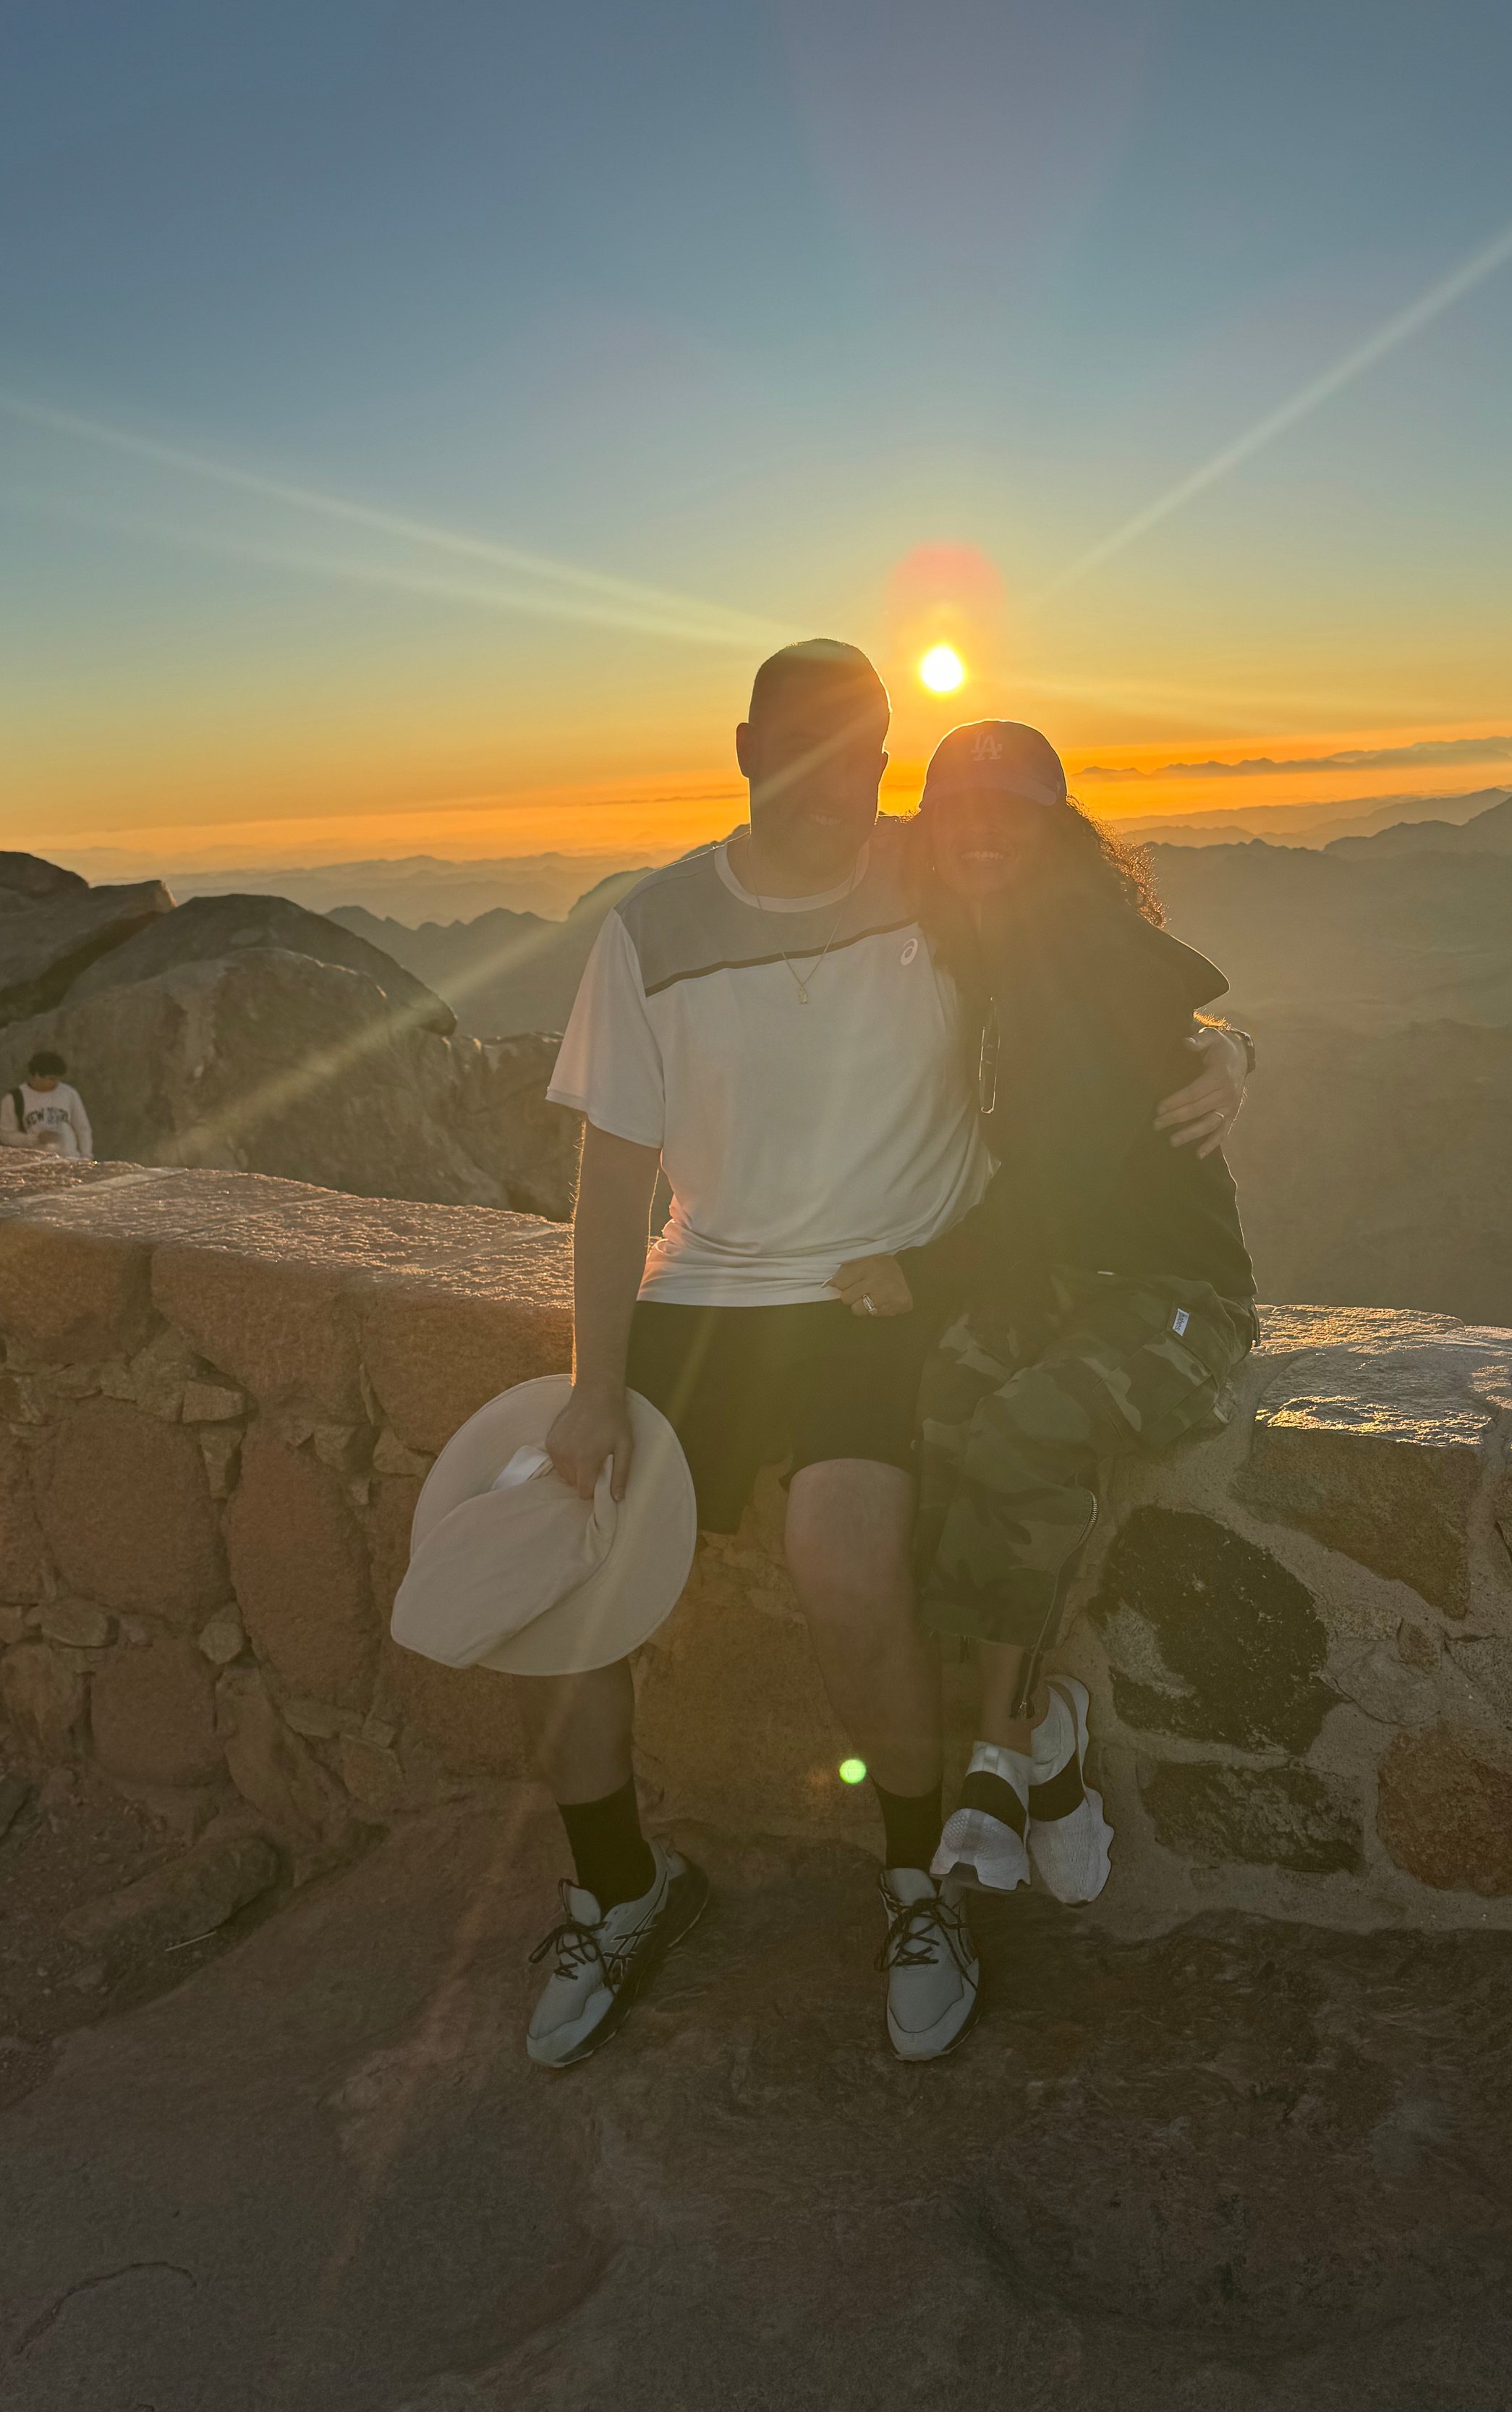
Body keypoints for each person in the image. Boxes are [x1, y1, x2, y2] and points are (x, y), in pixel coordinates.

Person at [519, 643, 1247, 2069]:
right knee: (573, 1578)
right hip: (704, 1291)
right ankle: (615, 1888)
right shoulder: (650, 929)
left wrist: (1228, 1048)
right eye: (799, 749)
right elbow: (608, 1186)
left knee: (845, 1567)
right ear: (741, 747)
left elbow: (1102, 957)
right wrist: (592, 1387)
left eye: (858, 754)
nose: (829, 782)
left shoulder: (935, 869)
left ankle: (918, 1883)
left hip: (880, 1291)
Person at [829, 719, 1258, 1918]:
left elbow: (1075, 1156)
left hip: (1179, 1298)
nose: (979, 837)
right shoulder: (981, 949)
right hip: (1060, 1283)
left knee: (1023, 1428)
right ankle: (1045, 1744)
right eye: (958, 815)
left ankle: (999, 1759)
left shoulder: (1089, 944)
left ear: (1054, 833)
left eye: (1007, 816)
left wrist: (924, 1271)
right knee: (946, 1407)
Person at [0, 1052, 94, 1159]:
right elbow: (5, 1135)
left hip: (70, 1159)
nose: (56, 1083)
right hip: (36, 1162)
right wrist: (34, 1139)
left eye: (58, 1079)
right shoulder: (14, 1099)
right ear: (37, 1076)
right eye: (51, 1079)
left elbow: (82, 1128)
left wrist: (87, 1156)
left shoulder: (69, 1093)